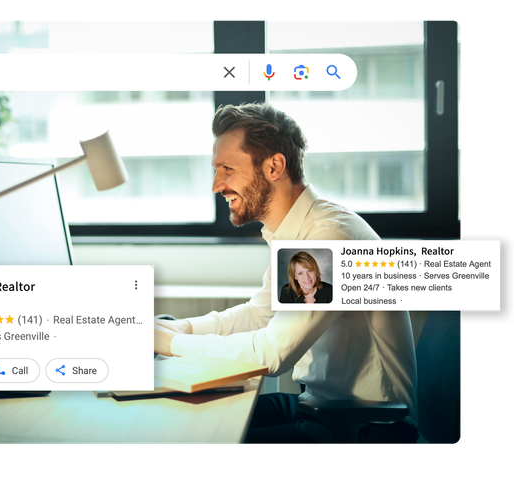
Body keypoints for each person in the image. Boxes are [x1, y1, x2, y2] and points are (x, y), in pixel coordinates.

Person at [154, 103, 418, 444]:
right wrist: (179, 328)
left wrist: (171, 344)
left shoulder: (330, 237)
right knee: (187, 422)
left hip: (367, 428)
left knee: (198, 438)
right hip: (322, 408)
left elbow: (271, 353)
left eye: (227, 169)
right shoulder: (296, 232)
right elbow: (260, 315)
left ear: (274, 166)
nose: (216, 184)